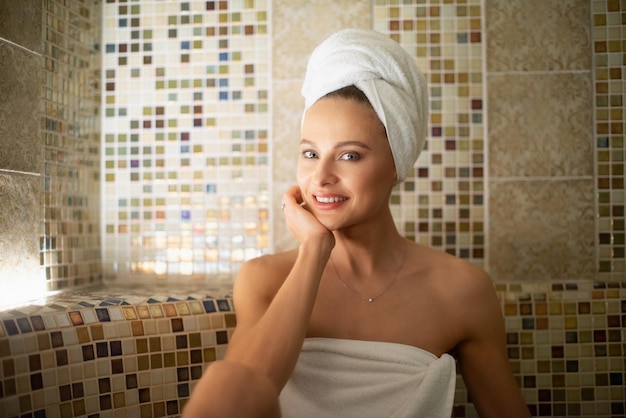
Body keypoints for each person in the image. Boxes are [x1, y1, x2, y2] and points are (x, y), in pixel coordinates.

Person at [183, 29, 530, 418]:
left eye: (349, 156)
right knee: (220, 388)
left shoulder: (461, 290)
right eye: (311, 153)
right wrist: (314, 251)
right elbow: (233, 405)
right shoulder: (263, 279)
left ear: (397, 165)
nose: (321, 177)